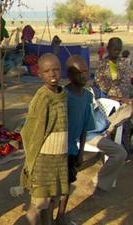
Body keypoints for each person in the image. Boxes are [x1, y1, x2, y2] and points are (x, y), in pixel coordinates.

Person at [20, 53, 69, 225]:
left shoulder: (63, 95)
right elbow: (32, 131)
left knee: (52, 200)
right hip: (43, 160)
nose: (53, 74)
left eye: (56, 69)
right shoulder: (42, 98)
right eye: (47, 71)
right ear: (39, 74)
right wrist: (30, 163)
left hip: (59, 158)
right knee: (39, 203)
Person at [56, 55, 96, 225]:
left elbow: (86, 126)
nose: (84, 76)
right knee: (54, 186)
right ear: (70, 75)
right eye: (79, 73)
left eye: (86, 72)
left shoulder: (87, 96)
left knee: (67, 185)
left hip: (72, 150)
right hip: (57, 149)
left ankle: (61, 215)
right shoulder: (62, 96)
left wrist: (81, 152)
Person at [95, 37, 132, 156]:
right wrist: (121, 100)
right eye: (114, 49)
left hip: (128, 102)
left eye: (119, 50)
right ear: (108, 49)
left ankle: (126, 150)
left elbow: (128, 82)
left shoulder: (124, 63)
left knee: (127, 128)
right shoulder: (103, 66)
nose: (117, 52)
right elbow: (102, 91)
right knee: (118, 127)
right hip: (111, 105)